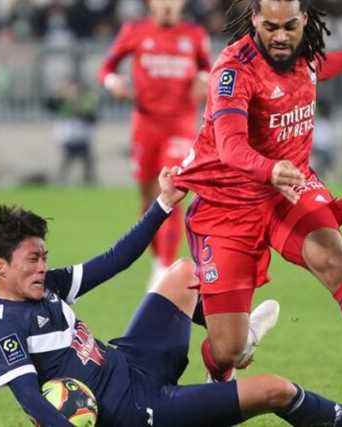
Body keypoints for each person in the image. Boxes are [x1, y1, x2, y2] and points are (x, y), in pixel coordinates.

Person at [0, 169, 342, 427]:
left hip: (130, 360)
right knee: (275, 390)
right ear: (0, 266)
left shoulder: (45, 286)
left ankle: (233, 341)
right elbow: (31, 403)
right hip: (138, 410)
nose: (42, 268)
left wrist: (163, 205)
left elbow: (116, 259)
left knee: (183, 273)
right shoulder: (2, 328)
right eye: (32, 260)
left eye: (43, 257)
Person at [172, 0, 342, 424]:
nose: (280, 35)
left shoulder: (303, 54)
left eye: (289, 25)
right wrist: (269, 168)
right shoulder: (233, 71)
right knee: (227, 349)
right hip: (227, 205)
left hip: (286, 192)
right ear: (254, 19)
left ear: (304, 20)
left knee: (334, 259)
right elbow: (231, 147)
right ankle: (227, 366)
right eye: (270, 26)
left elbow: (321, 67)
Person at [97, 0, 212, 285]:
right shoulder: (134, 31)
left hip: (180, 125)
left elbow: (209, 68)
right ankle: (157, 261)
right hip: (145, 126)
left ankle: (163, 268)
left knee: (172, 191)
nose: (168, 7)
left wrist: (202, 79)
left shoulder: (195, 35)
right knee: (149, 199)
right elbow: (106, 68)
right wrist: (114, 83)